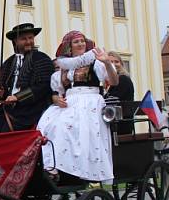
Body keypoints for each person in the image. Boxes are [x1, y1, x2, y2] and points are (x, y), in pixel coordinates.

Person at [37, 31, 119, 182]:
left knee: (65, 126)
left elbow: (113, 81)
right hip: (70, 101)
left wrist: (107, 62)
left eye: (82, 41)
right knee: (47, 125)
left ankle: (71, 167)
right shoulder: (65, 67)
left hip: (90, 101)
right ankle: (52, 165)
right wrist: (56, 99)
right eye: (76, 42)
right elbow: (57, 91)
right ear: (70, 47)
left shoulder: (96, 62)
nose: (80, 44)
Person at [0, 23, 54, 133]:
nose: (28, 41)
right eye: (23, 39)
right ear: (15, 41)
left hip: (32, 108)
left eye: (30, 38)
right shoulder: (8, 62)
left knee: (6, 129)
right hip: (9, 108)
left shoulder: (42, 59)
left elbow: (43, 86)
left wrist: (17, 97)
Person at [105, 51, 134, 134]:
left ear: (121, 64)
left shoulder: (123, 79)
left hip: (120, 124)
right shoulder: (108, 81)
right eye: (110, 62)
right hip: (114, 121)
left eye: (116, 62)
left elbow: (112, 101)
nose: (113, 64)